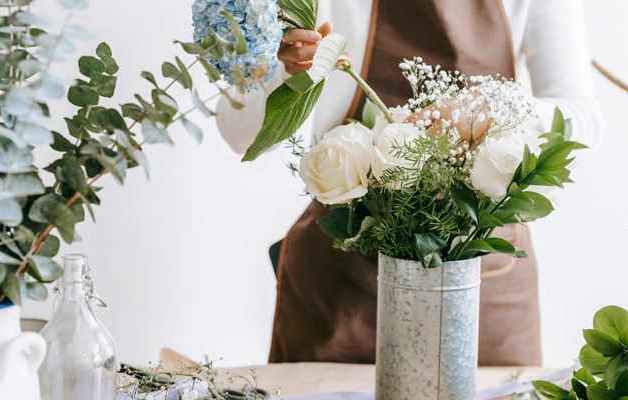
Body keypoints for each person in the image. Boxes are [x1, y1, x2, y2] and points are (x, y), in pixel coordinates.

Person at [215, 0, 602, 366]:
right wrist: (288, 74)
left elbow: (583, 122)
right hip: (341, 290)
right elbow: (239, 133)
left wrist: (493, 112)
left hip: (488, 287)